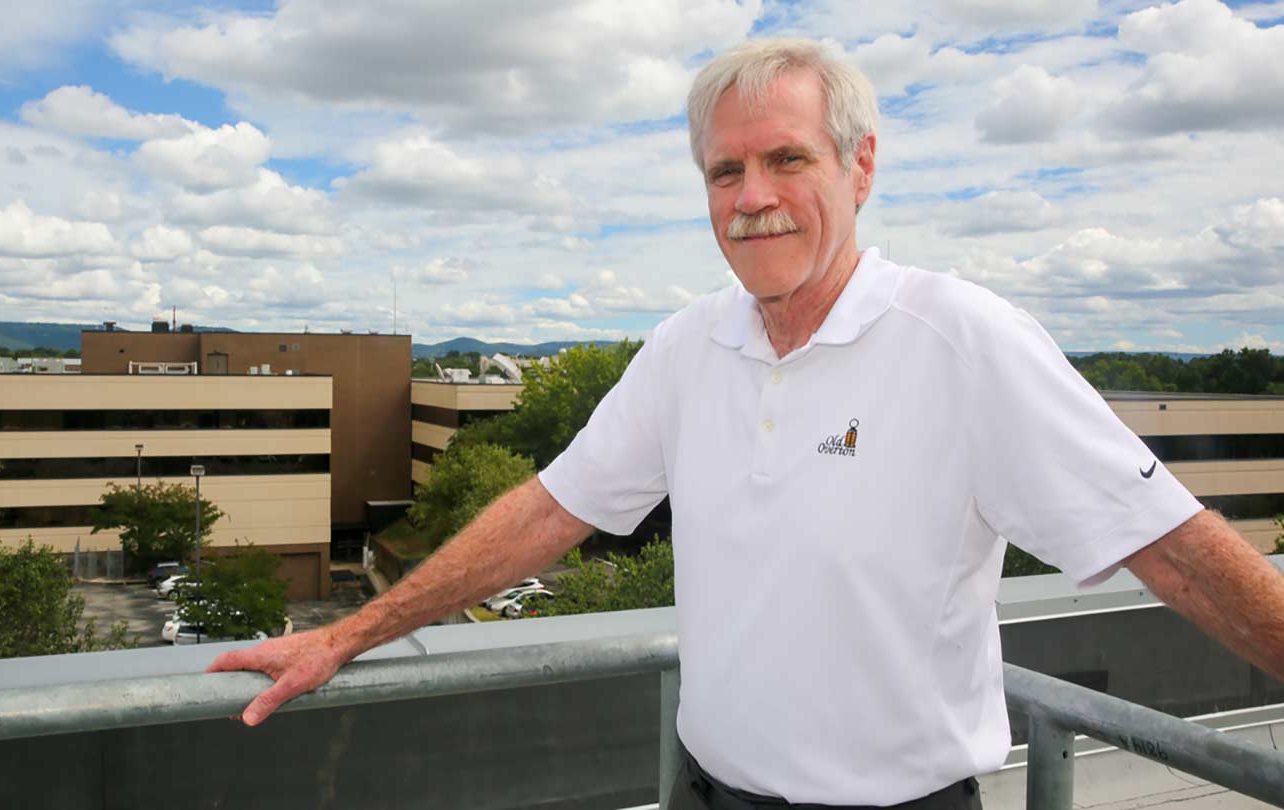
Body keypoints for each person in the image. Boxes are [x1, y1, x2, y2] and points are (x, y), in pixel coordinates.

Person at [209, 38, 1284, 808]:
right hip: (706, 790)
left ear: (861, 167)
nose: (751, 194)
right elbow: (548, 514)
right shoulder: (689, 345)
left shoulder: (963, 339)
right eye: (725, 170)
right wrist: (345, 636)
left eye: (787, 158)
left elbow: (1177, 554)